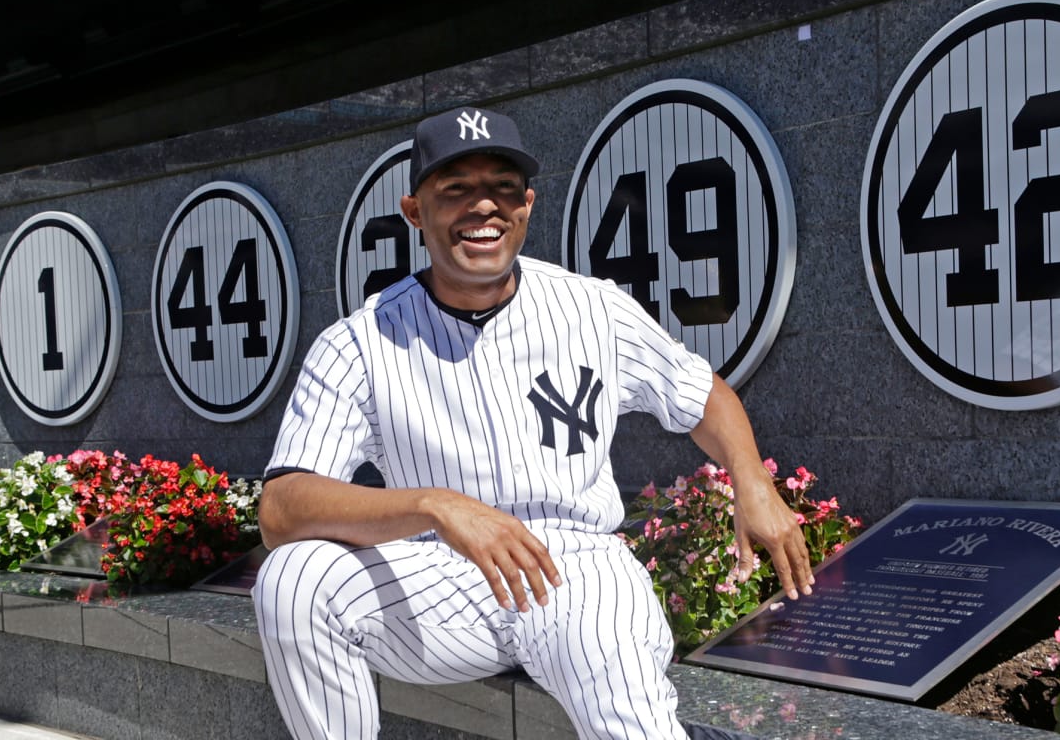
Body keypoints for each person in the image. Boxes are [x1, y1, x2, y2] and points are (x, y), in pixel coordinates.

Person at [253, 106, 813, 740]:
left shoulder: (593, 307)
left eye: (502, 187)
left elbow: (701, 394)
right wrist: (437, 506)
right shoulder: (358, 341)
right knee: (293, 581)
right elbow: (282, 508)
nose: (484, 206)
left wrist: (751, 480)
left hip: (575, 567)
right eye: (457, 189)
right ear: (415, 212)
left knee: (625, 703)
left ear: (527, 205)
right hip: (439, 577)